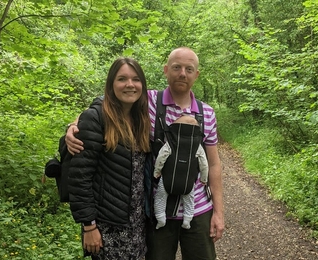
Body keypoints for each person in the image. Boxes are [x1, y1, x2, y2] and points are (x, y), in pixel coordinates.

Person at [66, 47, 225, 260]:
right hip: (156, 212)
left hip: (198, 209)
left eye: (189, 69)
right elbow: (106, 105)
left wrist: (219, 213)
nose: (182, 73)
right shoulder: (148, 102)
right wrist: (74, 125)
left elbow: (214, 165)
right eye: (176, 67)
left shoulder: (207, 113)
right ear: (166, 70)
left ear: (196, 74)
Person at [67, 57, 151, 260]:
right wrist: (89, 226)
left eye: (136, 79)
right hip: (106, 226)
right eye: (122, 79)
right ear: (111, 84)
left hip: (136, 224)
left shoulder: (141, 118)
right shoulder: (96, 118)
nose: (130, 85)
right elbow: (80, 177)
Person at [153, 115, 208, 230]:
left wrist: (157, 171)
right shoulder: (197, 146)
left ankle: (160, 219)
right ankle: (187, 220)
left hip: (167, 180)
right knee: (189, 200)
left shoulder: (170, 143)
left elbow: (161, 158)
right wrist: (204, 178)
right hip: (188, 182)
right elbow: (204, 164)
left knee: (160, 198)